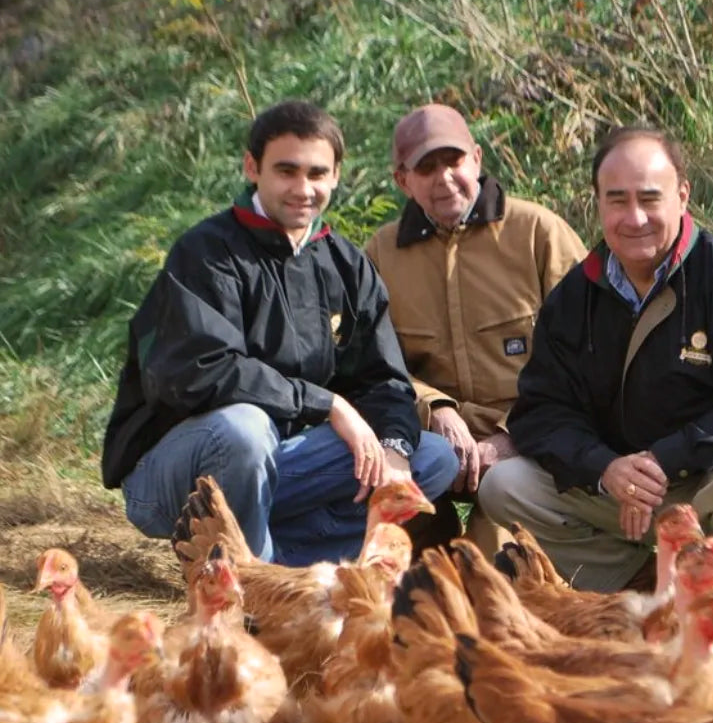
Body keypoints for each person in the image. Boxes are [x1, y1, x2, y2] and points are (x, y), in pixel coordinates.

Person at [478, 124, 713, 616]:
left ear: (682, 195)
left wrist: (665, 458)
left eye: (649, 198)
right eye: (617, 200)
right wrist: (603, 468)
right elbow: (542, 410)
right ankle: (637, 584)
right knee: (502, 487)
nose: (634, 217)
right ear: (596, 202)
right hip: (621, 489)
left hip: (709, 482)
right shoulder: (575, 296)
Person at [101, 100, 458, 566]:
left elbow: (384, 379)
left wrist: (391, 447)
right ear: (253, 167)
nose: (302, 189)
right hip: (179, 471)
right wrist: (328, 404)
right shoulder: (206, 254)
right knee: (245, 430)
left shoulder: (346, 265)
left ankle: (274, 565)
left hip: (284, 463)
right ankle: (251, 593)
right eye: (286, 171)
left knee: (430, 459)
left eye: (316, 173)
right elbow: (202, 373)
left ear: (335, 176)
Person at [366, 103, 586, 554]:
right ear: (402, 181)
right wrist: (436, 407)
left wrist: (513, 437)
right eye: (426, 168)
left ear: (478, 160)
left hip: (530, 446)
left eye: (454, 161)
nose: (444, 178)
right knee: (404, 574)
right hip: (427, 444)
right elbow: (367, 363)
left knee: (490, 578)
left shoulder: (538, 233)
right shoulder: (380, 255)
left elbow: (589, 356)